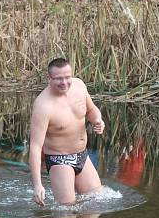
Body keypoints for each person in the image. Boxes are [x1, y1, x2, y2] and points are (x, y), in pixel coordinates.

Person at [29, 58, 105, 206]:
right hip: (60, 160)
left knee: (97, 203)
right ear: (49, 78)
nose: (64, 82)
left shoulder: (79, 86)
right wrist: (37, 185)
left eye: (67, 77)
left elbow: (91, 109)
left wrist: (98, 121)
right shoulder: (43, 105)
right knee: (67, 213)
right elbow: (35, 147)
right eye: (58, 79)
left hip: (82, 155)